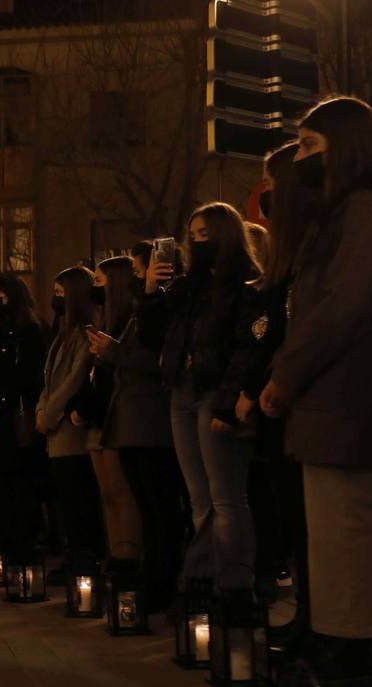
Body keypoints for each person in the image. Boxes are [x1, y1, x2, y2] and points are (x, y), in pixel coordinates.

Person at [260, 96, 372, 687]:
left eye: (309, 146)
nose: (300, 158)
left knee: (347, 531)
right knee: (329, 534)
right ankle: (334, 635)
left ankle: (351, 647)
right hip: (325, 398)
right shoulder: (337, 217)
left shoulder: (362, 210)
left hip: (345, 395)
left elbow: (343, 306)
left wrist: (287, 372)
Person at [139, 202, 260, 602]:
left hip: (214, 392)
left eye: (205, 234)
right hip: (183, 392)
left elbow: (246, 347)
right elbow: (155, 336)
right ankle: (204, 581)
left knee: (226, 497)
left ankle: (233, 585)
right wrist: (152, 292)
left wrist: (228, 402)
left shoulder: (244, 283)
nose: (197, 241)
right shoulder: (187, 287)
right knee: (199, 497)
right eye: (192, 235)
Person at [241, 142, 315, 636]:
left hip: (305, 407)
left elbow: (305, 328)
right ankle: (313, 614)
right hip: (278, 410)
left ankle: (325, 621)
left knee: (312, 525)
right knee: (295, 519)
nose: (264, 193)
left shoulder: (316, 249)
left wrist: (276, 381)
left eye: (270, 183)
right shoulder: (283, 261)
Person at [86, 257, 186, 613]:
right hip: (131, 423)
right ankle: (152, 578)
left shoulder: (157, 311)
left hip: (150, 424)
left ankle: (163, 582)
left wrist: (112, 352)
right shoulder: (133, 315)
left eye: (142, 268)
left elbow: (154, 359)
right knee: (147, 506)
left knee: (160, 510)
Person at [74, 259, 144, 569]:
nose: (95, 288)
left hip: (116, 416)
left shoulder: (128, 322)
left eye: (100, 281)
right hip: (97, 418)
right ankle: (115, 552)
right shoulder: (104, 322)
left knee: (120, 492)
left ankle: (127, 554)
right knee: (107, 495)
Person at [37, 267, 105, 579]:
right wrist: (41, 409)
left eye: (61, 292)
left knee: (79, 501)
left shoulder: (84, 335)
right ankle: (72, 555)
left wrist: (49, 413)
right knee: (66, 501)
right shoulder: (61, 336)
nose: (56, 298)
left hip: (70, 433)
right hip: (55, 432)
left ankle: (84, 559)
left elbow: (75, 380)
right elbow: (50, 380)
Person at [0, 275, 47, 565]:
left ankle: (25, 542)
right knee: (1, 482)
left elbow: (25, 375)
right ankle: (6, 541)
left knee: (20, 482)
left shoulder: (29, 330)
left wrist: (0, 407)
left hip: (16, 415)